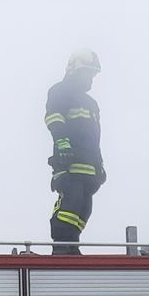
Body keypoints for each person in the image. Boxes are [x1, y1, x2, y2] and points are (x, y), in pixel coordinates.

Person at [44, 48, 106, 254]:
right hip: (69, 164)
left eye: (93, 74)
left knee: (83, 209)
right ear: (75, 71)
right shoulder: (60, 91)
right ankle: (62, 246)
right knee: (70, 204)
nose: (91, 79)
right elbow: (54, 118)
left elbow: (94, 138)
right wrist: (63, 145)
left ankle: (72, 246)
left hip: (90, 168)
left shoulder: (91, 103)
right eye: (88, 73)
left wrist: (100, 165)